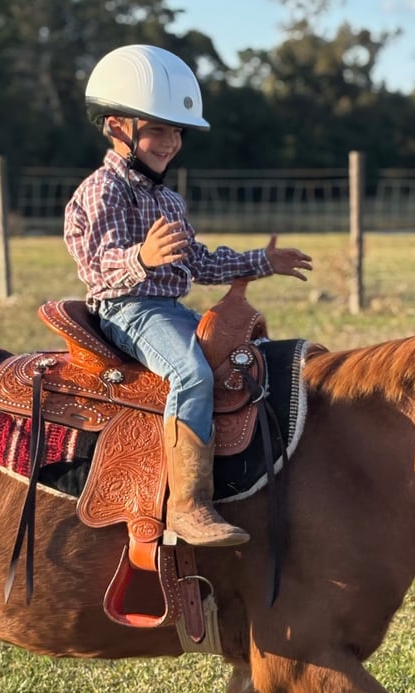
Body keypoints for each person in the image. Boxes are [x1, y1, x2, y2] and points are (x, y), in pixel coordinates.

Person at [64, 44, 313, 548]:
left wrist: (261, 262)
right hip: (127, 310)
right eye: (158, 129)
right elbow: (97, 265)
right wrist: (142, 259)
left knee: (244, 358)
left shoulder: (166, 197)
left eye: (177, 132)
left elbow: (197, 261)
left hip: (170, 309)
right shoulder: (102, 191)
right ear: (117, 126)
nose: (171, 141)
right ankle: (188, 504)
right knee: (190, 372)